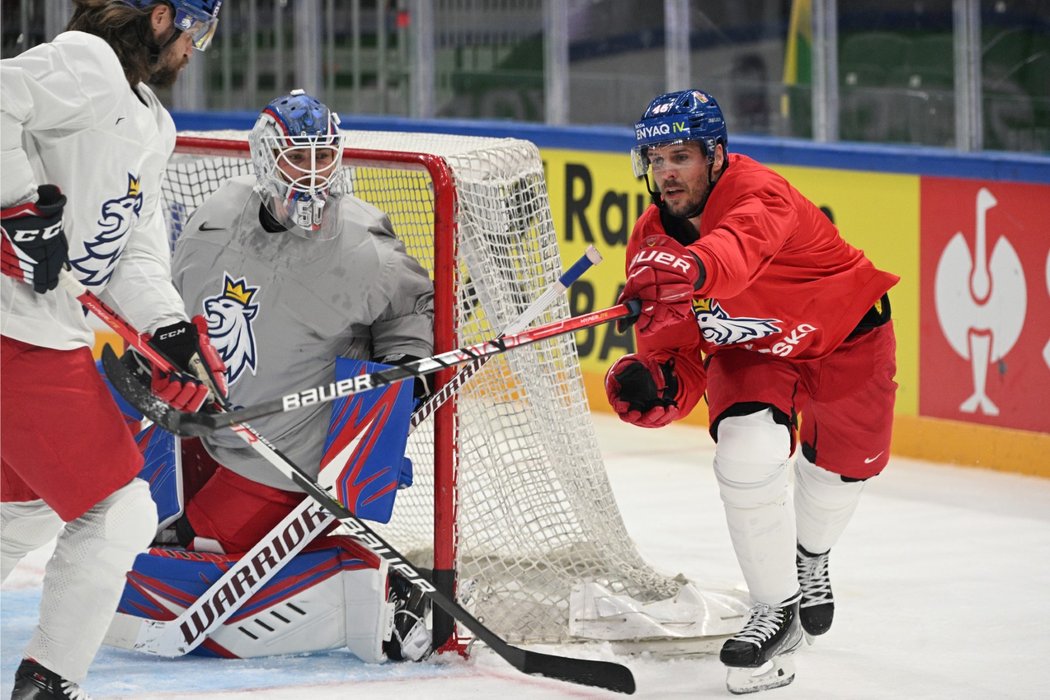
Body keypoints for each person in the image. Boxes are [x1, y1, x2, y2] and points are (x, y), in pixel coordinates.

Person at [605, 89, 898, 694]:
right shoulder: (649, 239)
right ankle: (776, 610)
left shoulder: (761, 193)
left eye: (679, 156)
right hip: (752, 350)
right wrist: (658, 385)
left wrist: (690, 271)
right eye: (655, 158)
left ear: (715, 155)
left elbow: (736, 252)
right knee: (744, 447)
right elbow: (677, 351)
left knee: (842, 473)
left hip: (845, 334)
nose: (665, 173)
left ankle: (809, 559)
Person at [0, 1, 226, 699]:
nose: (196, 50)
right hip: (18, 336)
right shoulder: (85, 61)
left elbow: (134, 249)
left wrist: (168, 329)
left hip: (45, 337)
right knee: (117, 510)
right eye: (199, 31)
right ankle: (49, 681)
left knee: (26, 507)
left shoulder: (152, 123)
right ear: (162, 17)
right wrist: (16, 205)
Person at [162, 90, 435, 661]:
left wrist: (408, 374)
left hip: (290, 458)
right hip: (212, 432)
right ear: (264, 159)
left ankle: (380, 584)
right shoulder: (215, 218)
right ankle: (332, 564)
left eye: (323, 157)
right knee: (135, 536)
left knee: (187, 565)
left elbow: (411, 308)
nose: (313, 175)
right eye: (297, 157)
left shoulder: (361, 245)